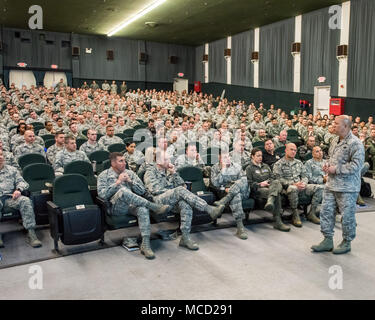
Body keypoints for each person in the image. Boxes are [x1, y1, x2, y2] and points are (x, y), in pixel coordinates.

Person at [144, 150, 225, 250]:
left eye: (169, 158)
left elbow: (183, 186)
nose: (169, 161)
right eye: (166, 159)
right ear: (159, 161)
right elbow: (156, 190)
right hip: (157, 202)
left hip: (172, 200)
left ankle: (185, 237)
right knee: (179, 191)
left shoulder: (169, 171)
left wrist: (174, 173)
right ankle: (208, 209)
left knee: (185, 203)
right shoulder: (150, 172)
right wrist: (174, 191)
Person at [97, 152, 170, 259]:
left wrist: (131, 182)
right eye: (121, 161)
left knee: (142, 208)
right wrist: (117, 183)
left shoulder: (130, 173)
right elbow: (102, 195)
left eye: (124, 160)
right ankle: (153, 206)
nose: (124, 163)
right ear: (113, 163)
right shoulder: (104, 175)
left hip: (132, 205)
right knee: (123, 191)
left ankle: (145, 244)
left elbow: (142, 191)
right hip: (116, 207)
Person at [311, 115, 365, 255]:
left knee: (347, 216)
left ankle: (347, 242)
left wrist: (336, 169)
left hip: (347, 187)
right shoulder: (335, 140)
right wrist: (328, 165)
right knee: (326, 212)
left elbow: (356, 166)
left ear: (345, 126)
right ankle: (327, 240)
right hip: (331, 184)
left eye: (336, 123)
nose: (332, 125)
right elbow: (332, 158)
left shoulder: (356, 143)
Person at [273, 143, 323, 227]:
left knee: (319, 188)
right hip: (287, 188)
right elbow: (278, 179)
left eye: (295, 150)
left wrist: (303, 183)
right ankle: (295, 214)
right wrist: (293, 183)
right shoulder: (279, 164)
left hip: (300, 185)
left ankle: (312, 213)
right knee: (293, 188)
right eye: (291, 149)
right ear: (286, 150)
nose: (293, 152)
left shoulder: (299, 163)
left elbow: (305, 176)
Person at [0, 150, 42, 248]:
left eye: (1, 155)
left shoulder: (12, 170)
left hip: (10, 198)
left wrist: (18, 189)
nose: (0, 157)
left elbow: (22, 182)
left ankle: (31, 233)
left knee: (25, 201)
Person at [246, 148, 290, 231]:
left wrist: (268, 182)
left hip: (270, 187)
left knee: (276, 182)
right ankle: (278, 222)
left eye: (261, 156)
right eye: (258, 156)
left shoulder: (266, 166)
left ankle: (270, 201)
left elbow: (272, 177)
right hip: (258, 190)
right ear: (252, 156)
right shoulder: (249, 168)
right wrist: (260, 184)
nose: (260, 157)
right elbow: (249, 183)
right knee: (275, 194)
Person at [210, 151, 251, 239]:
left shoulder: (237, 166)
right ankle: (240, 227)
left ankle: (224, 201)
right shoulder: (215, 168)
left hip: (242, 191)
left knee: (244, 180)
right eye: (224, 157)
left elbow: (244, 181)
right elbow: (215, 183)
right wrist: (223, 169)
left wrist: (232, 187)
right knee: (236, 195)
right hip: (226, 192)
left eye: (228, 157)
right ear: (219, 158)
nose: (228, 159)